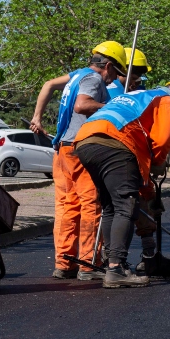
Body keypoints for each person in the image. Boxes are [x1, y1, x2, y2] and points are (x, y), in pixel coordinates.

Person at [73, 80, 170, 288]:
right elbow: (163, 139)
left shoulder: (138, 97)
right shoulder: (169, 101)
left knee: (111, 206)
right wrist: (158, 161)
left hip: (85, 141)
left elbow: (137, 164)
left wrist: (149, 195)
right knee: (125, 207)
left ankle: (112, 266)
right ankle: (116, 268)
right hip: (114, 144)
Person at [30, 41, 126, 280]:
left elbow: (48, 84)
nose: (114, 79)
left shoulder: (76, 76)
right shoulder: (93, 80)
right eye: (115, 72)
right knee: (91, 205)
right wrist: (111, 108)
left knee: (66, 207)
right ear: (108, 65)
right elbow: (82, 105)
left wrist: (37, 117)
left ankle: (64, 263)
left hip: (62, 149)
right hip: (81, 149)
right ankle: (89, 264)